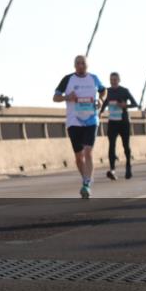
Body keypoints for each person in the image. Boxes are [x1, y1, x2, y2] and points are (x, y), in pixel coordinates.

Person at [53, 55, 106, 198]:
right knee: (78, 156)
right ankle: (86, 178)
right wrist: (66, 97)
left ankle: (86, 184)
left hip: (91, 120)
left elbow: (103, 90)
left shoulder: (94, 78)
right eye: (78, 63)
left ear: (87, 65)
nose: (81, 65)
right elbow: (55, 97)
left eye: (83, 63)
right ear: (74, 65)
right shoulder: (67, 79)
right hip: (74, 122)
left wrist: (101, 99)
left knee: (88, 151)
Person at [98, 72, 138, 180]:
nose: (113, 81)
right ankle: (112, 170)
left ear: (119, 80)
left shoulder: (124, 91)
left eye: (115, 79)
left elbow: (135, 104)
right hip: (112, 122)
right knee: (111, 146)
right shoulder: (108, 92)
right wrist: (100, 112)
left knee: (126, 146)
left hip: (124, 122)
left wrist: (125, 105)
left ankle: (128, 166)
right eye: (111, 79)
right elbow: (103, 104)